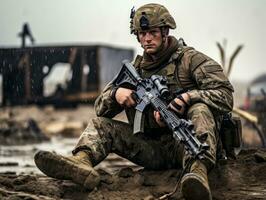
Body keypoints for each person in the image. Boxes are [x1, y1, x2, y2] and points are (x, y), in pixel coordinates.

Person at [34, 3, 234, 200]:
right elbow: (99, 108)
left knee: (199, 109)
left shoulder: (190, 60)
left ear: (165, 31)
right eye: (141, 33)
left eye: (152, 32)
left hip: (190, 146)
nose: (146, 38)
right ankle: (81, 162)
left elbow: (225, 95)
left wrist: (189, 97)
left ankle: (197, 175)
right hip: (153, 149)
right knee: (100, 125)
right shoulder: (136, 69)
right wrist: (116, 95)